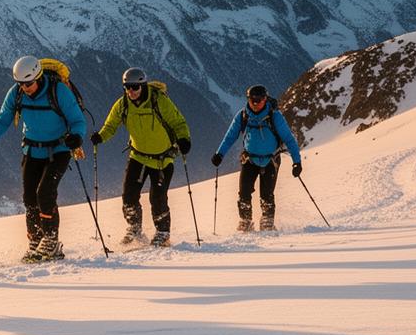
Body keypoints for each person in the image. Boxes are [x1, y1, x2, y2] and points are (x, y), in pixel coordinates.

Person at [0, 55, 87, 262]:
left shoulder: (59, 91)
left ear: (38, 77)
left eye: (28, 83)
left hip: (60, 149)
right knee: (30, 198)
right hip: (32, 150)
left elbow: (77, 120)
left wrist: (76, 137)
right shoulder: (16, 94)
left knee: (45, 193)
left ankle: (51, 241)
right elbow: (3, 118)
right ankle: (36, 240)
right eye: (20, 84)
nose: (25, 88)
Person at [90, 67, 191, 246]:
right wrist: (100, 136)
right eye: (127, 87)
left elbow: (178, 122)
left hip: (162, 159)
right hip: (138, 156)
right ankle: (134, 228)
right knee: (129, 196)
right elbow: (111, 125)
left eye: (135, 87)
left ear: (143, 86)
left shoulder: (159, 101)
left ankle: (162, 233)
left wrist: (184, 139)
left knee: (157, 197)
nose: (131, 91)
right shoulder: (122, 104)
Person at [211, 84, 303, 231]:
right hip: (250, 159)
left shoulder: (275, 116)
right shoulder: (243, 116)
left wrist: (297, 162)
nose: (255, 103)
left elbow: (289, 139)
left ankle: (267, 221)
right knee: (244, 192)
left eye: (258, 100)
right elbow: (230, 137)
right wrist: (219, 154)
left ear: (265, 99)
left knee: (266, 194)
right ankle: (245, 220)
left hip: (271, 160)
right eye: (251, 100)